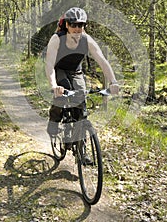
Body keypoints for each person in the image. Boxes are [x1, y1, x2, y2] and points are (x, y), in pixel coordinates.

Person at [45, 7, 119, 136]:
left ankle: (80, 146)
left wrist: (113, 81)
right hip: (59, 70)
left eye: (80, 25)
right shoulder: (56, 39)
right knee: (62, 94)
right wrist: (54, 85)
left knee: (80, 100)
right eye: (73, 25)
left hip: (76, 71)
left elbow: (102, 61)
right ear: (67, 25)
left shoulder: (87, 40)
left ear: (84, 26)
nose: (77, 28)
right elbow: (49, 65)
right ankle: (54, 120)